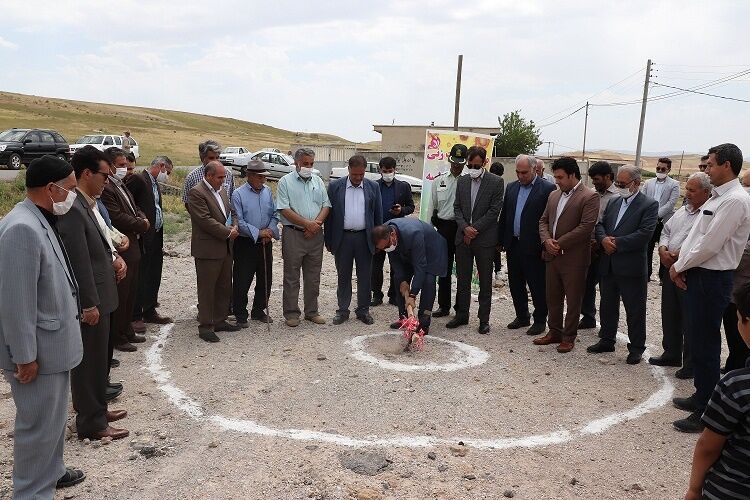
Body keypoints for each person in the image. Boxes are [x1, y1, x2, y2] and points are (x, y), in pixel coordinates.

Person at [0, 156, 86, 498]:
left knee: (51, 423)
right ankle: (32, 492)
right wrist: (24, 357)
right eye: (70, 189)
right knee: (37, 427)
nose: (73, 196)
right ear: (51, 189)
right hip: (37, 353)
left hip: (53, 348)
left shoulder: (38, 218)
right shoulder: (21, 227)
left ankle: (52, 473)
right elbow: (15, 301)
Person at [671, 144, 750, 433]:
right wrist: (681, 263)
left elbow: (711, 245)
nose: (707, 170)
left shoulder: (735, 201)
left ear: (727, 165)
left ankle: (707, 409)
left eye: (711, 165)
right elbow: (695, 236)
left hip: (713, 278)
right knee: (697, 338)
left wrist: (679, 266)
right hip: (699, 273)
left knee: (705, 343)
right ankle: (701, 394)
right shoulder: (718, 198)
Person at [58, 145, 129, 441]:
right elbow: (79, 261)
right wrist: (89, 303)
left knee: (100, 359)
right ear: (87, 173)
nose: (108, 180)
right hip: (93, 300)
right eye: (104, 175)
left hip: (104, 294)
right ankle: (91, 421)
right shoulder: (74, 209)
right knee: (89, 363)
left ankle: (98, 408)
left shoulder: (88, 203)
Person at [683, 281, 750, 500]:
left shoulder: (736, 386)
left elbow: (708, 447)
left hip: (731, 490)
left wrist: (694, 489)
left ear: (746, 322)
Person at [588, 165, 658, 364]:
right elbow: (600, 224)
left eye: (622, 183)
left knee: (634, 310)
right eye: (617, 183)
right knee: (607, 305)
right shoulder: (614, 202)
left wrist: (616, 243)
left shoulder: (649, 205)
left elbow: (645, 234)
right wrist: (603, 241)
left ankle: (636, 348)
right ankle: (607, 339)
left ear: (636, 183)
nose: (618, 186)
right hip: (609, 264)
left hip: (631, 267)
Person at [648, 173, 711, 377]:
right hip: (669, 267)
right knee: (670, 312)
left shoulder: (709, 214)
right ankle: (672, 352)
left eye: (692, 190)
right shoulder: (683, 210)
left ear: (706, 192)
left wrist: (677, 255)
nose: (687, 193)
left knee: (690, 318)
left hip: (690, 271)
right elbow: (666, 230)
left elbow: (702, 242)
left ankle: (691, 363)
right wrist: (663, 250)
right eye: (687, 189)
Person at [535, 156, 599, 352]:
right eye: (555, 177)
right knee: (552, 296)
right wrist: (547, 241)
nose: (557, 181)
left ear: (572, 175)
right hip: (552, 255)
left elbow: (586, 227)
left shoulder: (589, 196)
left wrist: (559, 243)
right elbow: (543, 221)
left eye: (560, 177)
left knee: (573, 299)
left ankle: (568, 336)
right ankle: (554, 331)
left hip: (574, 258)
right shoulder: (554, 195)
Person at [497, 154, 556, 335]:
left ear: (534, 169)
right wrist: (500, 241)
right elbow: (505, 215)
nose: (521, 176)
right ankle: (522, 316)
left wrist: (546, 244)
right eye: (518, 172)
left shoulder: (547, 188)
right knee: (515, 283)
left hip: (535, 246)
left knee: (537, 285)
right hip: (514, 244)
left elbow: (550, 220)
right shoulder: (512, 187)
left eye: (525, 172)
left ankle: (539, 320)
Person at [101, 147, 150, 353]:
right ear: (111, 165)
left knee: (131, 292)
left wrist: (142, 217)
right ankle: (118, 336)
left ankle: (127, 328)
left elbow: (134, 206)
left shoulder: (120, 183)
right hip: (123, 245)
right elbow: (116, 216)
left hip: (133, 245)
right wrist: (141, 224)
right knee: (122, 293)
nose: (125, 168)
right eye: (120, 165)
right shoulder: (107, 188)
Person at [449, 146, 503, 334]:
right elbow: (457, 208)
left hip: (484, 239)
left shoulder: (496, 182)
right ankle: (462, 314)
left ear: (484, 163)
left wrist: (474, 229)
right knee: (462, 279)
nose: (472, 168)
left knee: (485, 281)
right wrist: (465, 228)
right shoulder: (462, 181)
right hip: (463, 237)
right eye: (470, 165)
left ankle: (484, 319)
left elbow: (494, 211)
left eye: (476, 165)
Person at [187, 161, 241, 342]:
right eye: (220, 177)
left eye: (224, 176)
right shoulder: (196, 192)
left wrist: (234, 225)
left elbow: (230, 212)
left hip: (225, 247)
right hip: (208, 249)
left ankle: (219, 319)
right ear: (208, 176)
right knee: (207, 289)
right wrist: (228, 232)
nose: (223, 180)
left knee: (224, 286)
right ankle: (206, 326)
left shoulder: (223, 190)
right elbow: (205, 220)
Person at [276, 148, 331, 327]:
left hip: (315, 235)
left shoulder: (318, 181)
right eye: (305, 163)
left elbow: (326, 205)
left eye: (311, 164)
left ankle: (312, 311)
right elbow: (284, 208)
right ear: (296, 163)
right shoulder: (285, 182)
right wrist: (308, 224)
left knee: (313, 275)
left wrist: (316, 225)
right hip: (294, 234)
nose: (308, 167)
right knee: (291, 275)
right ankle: (291, 313)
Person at [325, 155, 382, 325]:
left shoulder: (373, 187)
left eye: (361, 175)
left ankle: (363, 310)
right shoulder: (335, 186)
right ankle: (343, 310)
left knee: (365, 276)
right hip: (343, 238)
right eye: (355, 174)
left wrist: (377, 240)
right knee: (343, 275)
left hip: (365, 238)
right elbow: (329, 216)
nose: (358, 178)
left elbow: (378, 215)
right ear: (348, 169)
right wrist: (328, 239)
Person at [372, 219, 447, 334]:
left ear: (392, 235)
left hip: (431, 251)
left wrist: (412, 294)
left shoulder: (413, 233)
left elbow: (420, 266)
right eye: (383, 248)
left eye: (386, 246)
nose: (386, 249)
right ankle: (404, 318)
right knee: (398, 279)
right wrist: (403, 280)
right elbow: (395, 260)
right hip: (408, 251)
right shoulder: (385, 233)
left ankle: (423, 323)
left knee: (428, 282)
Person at [126, 156, 173, 334]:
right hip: (143, 237)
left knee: (154, 274)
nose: (166, 175)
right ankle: (135, 315)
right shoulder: (139, 179)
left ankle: (149, 309)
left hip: (155, 237)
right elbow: (130, 203)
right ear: (160, 166)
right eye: (166, 172)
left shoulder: (154, 183)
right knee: (141, 276)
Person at [231, 160, 279, 327]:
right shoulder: (238, 194)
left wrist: (269, 231)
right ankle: (240, 314)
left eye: (264, 177)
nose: (263, 180)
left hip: (265, 242)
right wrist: (258, 232)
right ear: (250, 176)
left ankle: (258, 310)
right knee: (242, 279)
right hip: (246, 243)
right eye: (260, 177)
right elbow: (239, 221)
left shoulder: (267, 192)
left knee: (266, 279)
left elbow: (274, 215)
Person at [371, 156, 415, 306]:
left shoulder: (403, 186)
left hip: (396, 233)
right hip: (378, 233)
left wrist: (401, 210)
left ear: (395, 170)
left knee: (396, 266)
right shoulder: (374, 186)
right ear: (380, 170)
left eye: (390, 171)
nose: (388, 173)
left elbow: (411, 207)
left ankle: (394, 294)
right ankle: (376, 295)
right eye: (385, 171)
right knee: (376, 266)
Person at [428, 144, 465, 318]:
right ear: (449, 160)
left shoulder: (468, 182)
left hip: (463, 229)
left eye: (460, 162)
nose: (456, 165)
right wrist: (428, 230)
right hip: (444, 228)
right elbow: (431, 207)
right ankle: (443, 306)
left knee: (463, 271)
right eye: (454, 161)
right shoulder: (438, 181)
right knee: (444, 269)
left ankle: (461, 309)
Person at [580, 161, 618, 329]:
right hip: (590, 247)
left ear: (608, 177)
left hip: (608, 248)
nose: (594, 182)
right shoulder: (592, 195)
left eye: (596, 179)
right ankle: (588, 317)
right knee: (586, 284)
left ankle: (608, 327)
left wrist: (602, 241)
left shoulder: (618, 197)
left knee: (607, 288)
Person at [641, 157, 680, 280]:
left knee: (665, 248)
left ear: (668, 170)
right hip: (649, 221)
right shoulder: (648, 183)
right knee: (648, 247)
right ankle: (646, 274)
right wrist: (649, 216)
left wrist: (656, 215)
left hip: (665, 221)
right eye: (658, 168)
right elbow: (643, 199)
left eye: (663, 169)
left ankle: (663, 277)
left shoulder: (674, 184)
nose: (660, 170)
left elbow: (671, 203)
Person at [182, 139, 235, 209]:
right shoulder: (192, 177)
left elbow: (232, 199)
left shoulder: (228, 174)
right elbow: (187, 203)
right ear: (203, 158)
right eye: (211, 158)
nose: (215, 161)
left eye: (217, 157)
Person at [489, 161, 506, 287]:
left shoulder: (503, 186)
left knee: (496, 247)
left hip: (498, 222)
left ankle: (498, 270)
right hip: (489, 222)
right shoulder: (486, 185)